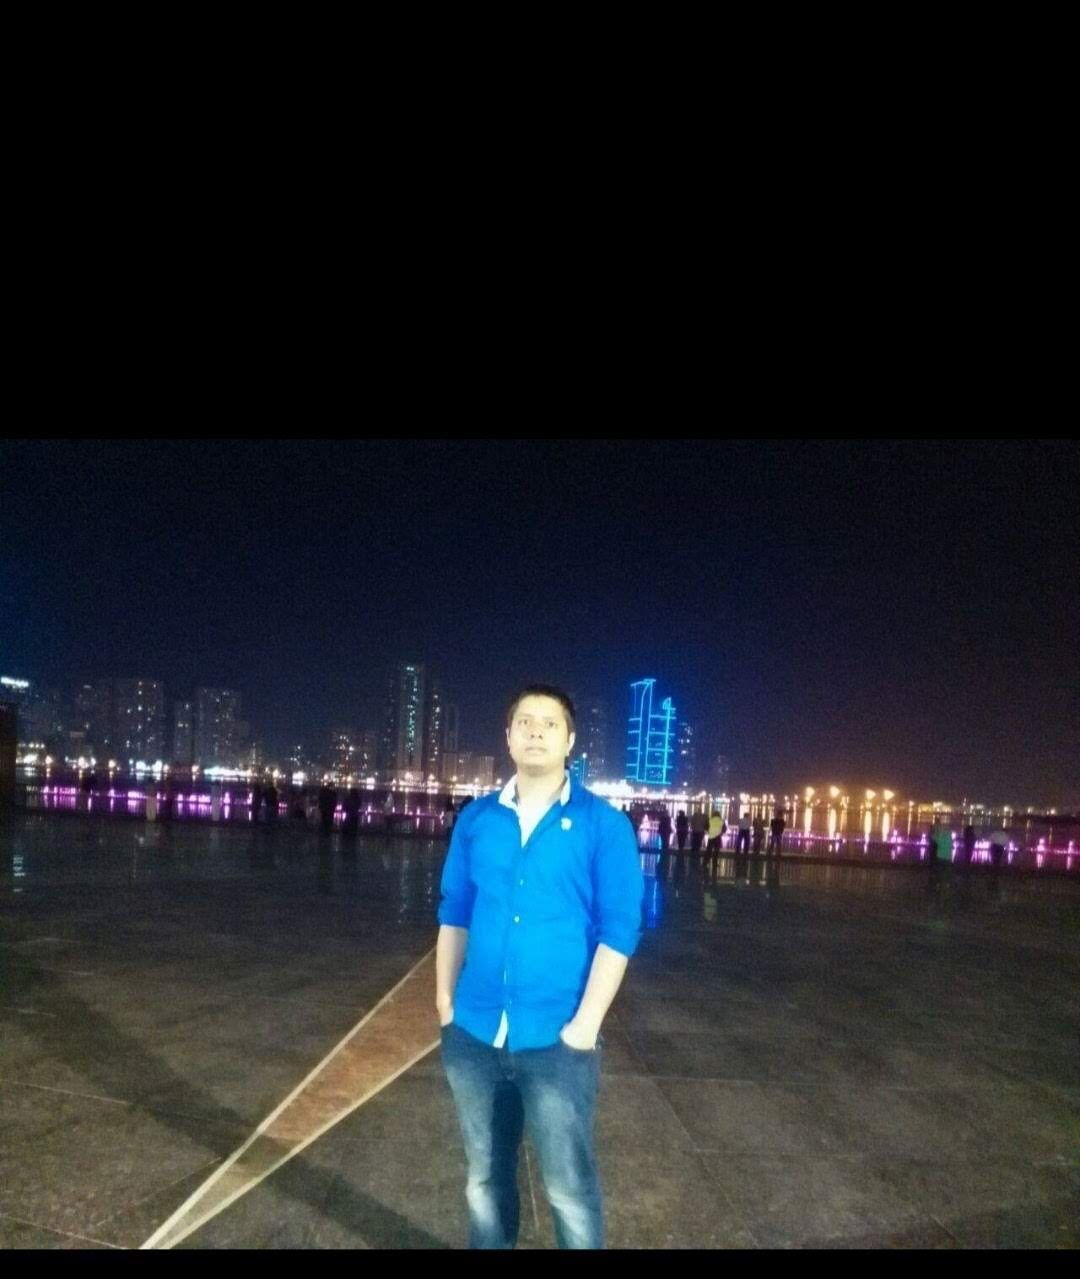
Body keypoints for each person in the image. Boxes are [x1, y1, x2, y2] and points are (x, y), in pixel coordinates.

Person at [437, 685, 644, 1250]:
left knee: (568, 1188)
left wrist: (585, 1026)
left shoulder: (604, 825)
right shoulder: (478, 819)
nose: (535, 730)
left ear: (570, 741)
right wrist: (445, 1002)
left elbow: (619, 931)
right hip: (475, 1033)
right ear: (507, 737)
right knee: (484, 1179)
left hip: (558, 1040)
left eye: (549, 723)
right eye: (524, 721)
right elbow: (455, 911)